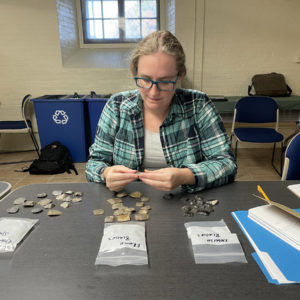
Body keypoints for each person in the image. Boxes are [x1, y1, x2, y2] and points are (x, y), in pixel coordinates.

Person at [86, 30, 237, 193]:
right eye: (144, 79)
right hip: (129, 204)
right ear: (135, 73)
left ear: (180, 76)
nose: (153, 92)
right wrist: (106, 173)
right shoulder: (116, 106)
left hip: (185, 202)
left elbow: (226, 163)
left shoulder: (198, 105)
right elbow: (94, 163)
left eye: (165, 82)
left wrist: (185, 176)